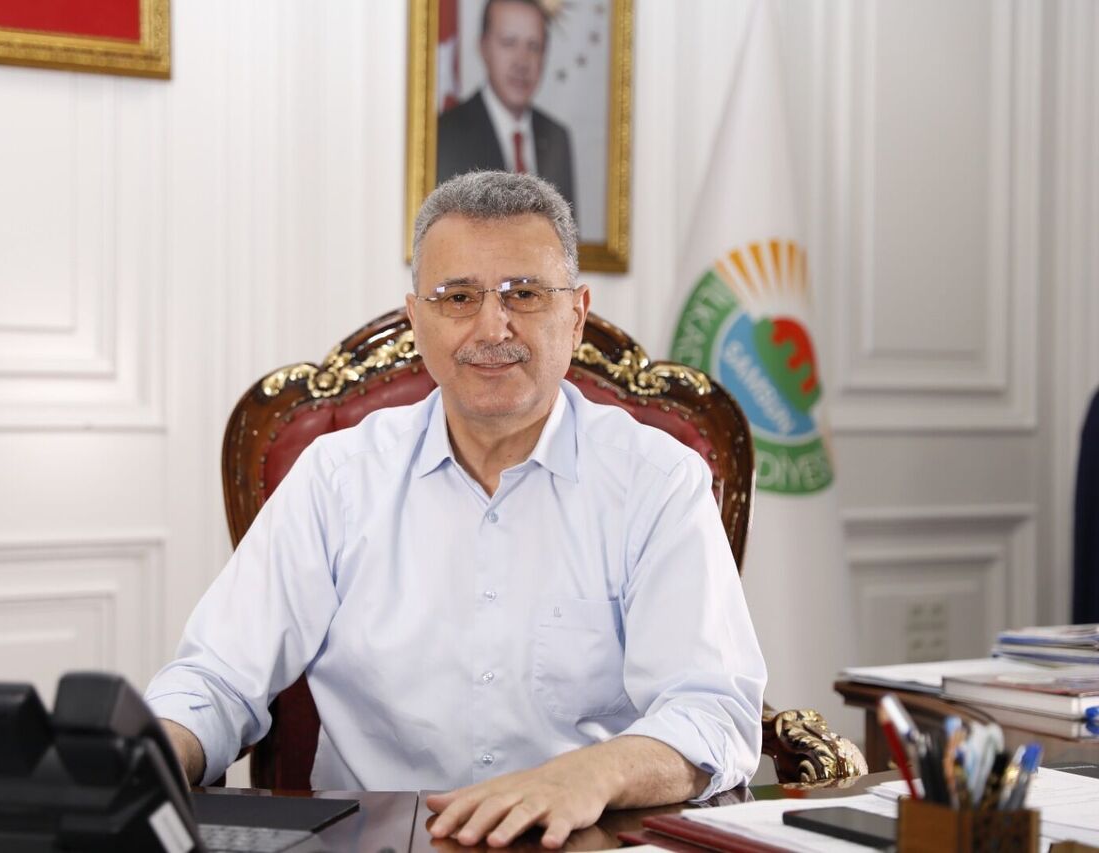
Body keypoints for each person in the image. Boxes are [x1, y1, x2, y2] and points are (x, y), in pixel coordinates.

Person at [145, 171, 766, 848]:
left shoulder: (657, 481)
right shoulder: (337, 477)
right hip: (375, 842)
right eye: (458, 297)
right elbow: (218, 677)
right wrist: (153, 755)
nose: (492, 326)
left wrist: (592, 774)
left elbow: (713, 712)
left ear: (577, 314)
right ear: (417, 320)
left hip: (581, 838)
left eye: (524, 293)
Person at [437, 0, 576, 211]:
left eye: (534, 46)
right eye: (509, 42)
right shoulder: (446, 135)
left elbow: (568, 229)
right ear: (483, 47)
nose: (522, 62)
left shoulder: (557, 137)